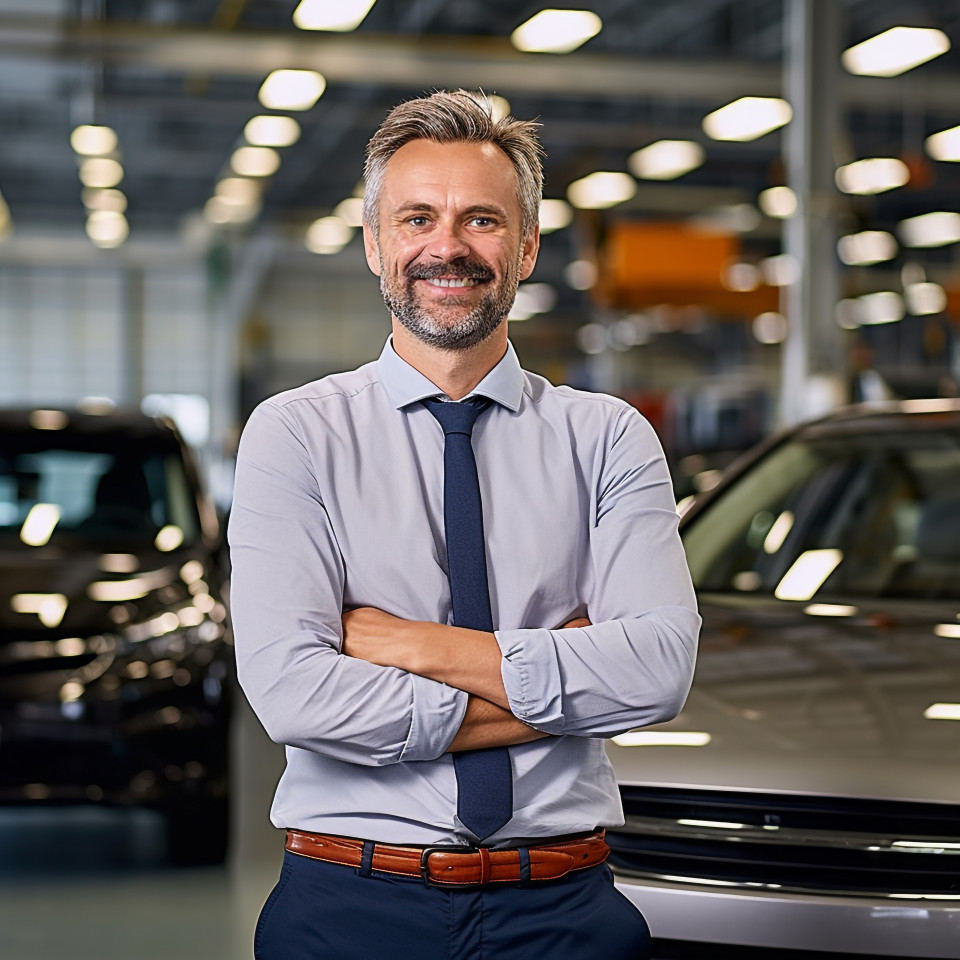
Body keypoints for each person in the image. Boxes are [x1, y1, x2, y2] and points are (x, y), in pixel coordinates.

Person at [228, 90, 700, 960]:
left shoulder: (607, 437)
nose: (447, 246)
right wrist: (563, 685)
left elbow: (658, 669)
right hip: (349, 908)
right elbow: (293, 694)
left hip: (565, 913)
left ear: (524, 248)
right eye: (417, 218)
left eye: (481, 219)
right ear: (376, 245)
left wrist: (408, 645)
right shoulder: (294, 434)